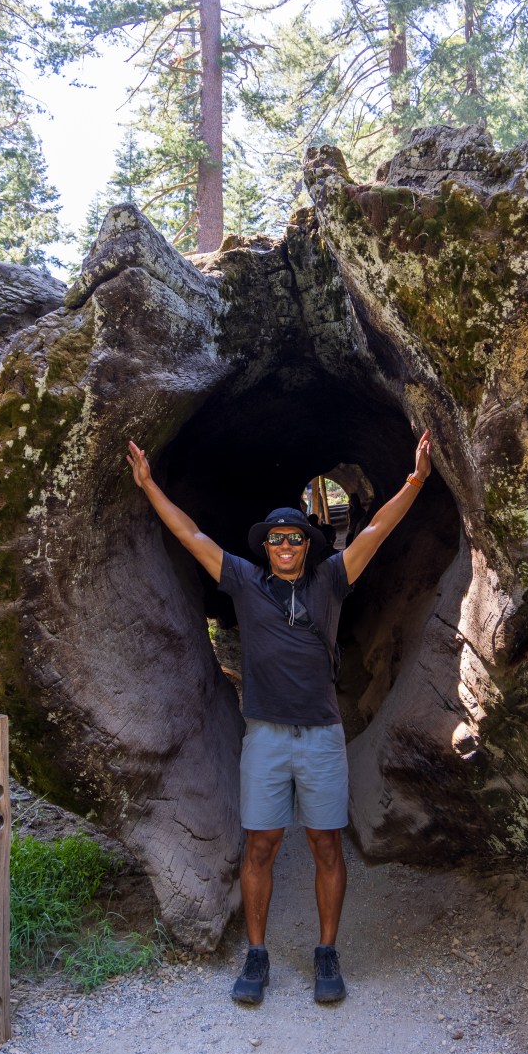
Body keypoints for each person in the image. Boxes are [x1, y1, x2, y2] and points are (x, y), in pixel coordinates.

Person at [125, 431, 433, 1007]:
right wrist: (149, 486)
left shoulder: (330, 582)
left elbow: (376, 531)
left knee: (325, 845)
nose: (286, 545)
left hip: (321, 736)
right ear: (266, 546)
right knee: (261, 845)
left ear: (306, 544)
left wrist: (415, 479)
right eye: (277, 539)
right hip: (264, 737)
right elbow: (191, 536)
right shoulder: (243, 582)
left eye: (294, 537)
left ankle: (326, 953)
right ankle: (258, 954)